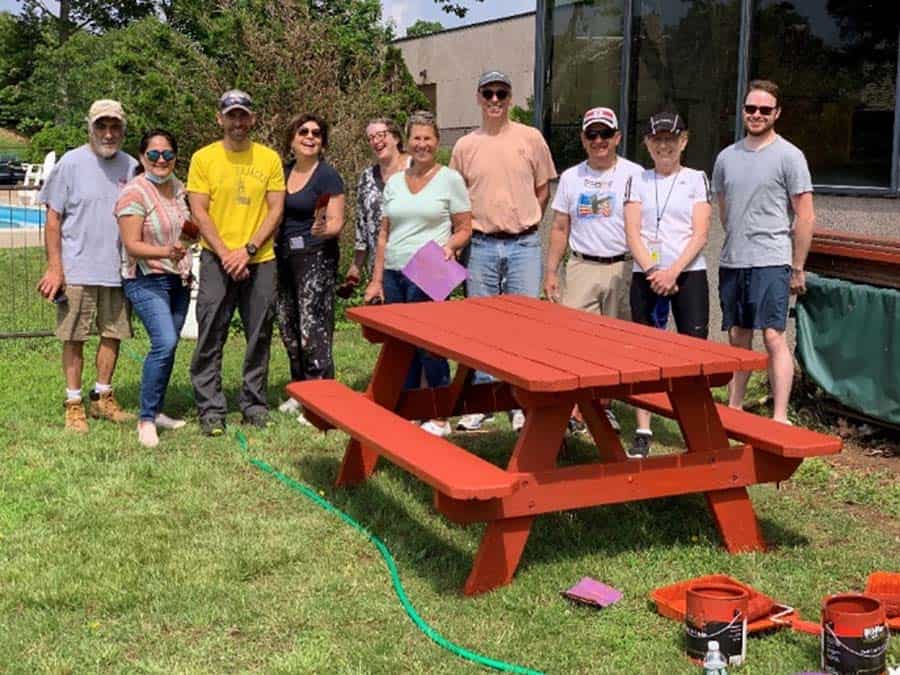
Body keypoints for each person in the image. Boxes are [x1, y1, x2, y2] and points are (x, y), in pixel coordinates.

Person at [450, 70, 556, 432]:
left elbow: (543, 189)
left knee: (523, 327)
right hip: (480, 244)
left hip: (524, 243)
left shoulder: (531, 138)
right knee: (482, 327)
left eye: (502, 93)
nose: (495, 100)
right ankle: (484, 400)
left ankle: (519, 402)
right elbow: (456, 198)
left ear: (511, 98)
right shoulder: (465, 146)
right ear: (478, 98)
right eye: (488, 93)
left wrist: (528, 220)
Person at [712, 80, 815, 424]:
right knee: (738, 335)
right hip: (733, 260)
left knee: (773, 335)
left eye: (764, 110)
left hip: (772, 260)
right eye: (750, 108)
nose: (756, 115)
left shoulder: (790, 156)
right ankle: (734, 407)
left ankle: (780, 415)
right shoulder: (726, 157)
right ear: (743, 111)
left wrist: (797, 266)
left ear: (777, 113)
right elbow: (724, 207)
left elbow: (805, 214)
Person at [364, 111, 472, 437]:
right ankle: (409, 409)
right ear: (407, 142)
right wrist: (377, 279)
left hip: (429, 270)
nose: (422, 144)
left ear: (437, 142)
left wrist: (452, 245)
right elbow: (383, 234)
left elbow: (465, 227)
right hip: (395, 271)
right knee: (401, 346)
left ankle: (439, 416)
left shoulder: (450, 179)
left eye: (428, 139)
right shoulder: (395, 181)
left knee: (430, 346)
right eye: (416, 139)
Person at [187, 89, 286, 436]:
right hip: (217, 258)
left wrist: (248, 248)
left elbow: (276, 207)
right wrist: (227, 253)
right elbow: (198, 209)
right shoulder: (203, 158)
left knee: (258, 334)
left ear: (253, 118)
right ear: (220, 119)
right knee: (211, 332)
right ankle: (211, 409)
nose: (238, 122)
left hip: (261, 258)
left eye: (243, 115)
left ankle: (254, 404)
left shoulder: (269, 159)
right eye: (232, 116)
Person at [36, 99, 138, 433]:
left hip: (119, 269)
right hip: (77, 269)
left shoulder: (132, 166)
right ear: (90, 127)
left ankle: (103, 398)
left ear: (123, 129)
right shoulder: (71, 163)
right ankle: (74, 404)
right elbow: (53, 219)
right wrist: (55, 267)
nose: (108, 133)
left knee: (113, 335)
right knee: (75, 337)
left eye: (115, 127)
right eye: (101, 126)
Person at [543, 107, 643, 434]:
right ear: (583, 139)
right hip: (582, 265)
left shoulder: (635, 174)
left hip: (622, 267)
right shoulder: (571, 177)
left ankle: (604, 407)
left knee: (614, 345)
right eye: (592, 135)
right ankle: (574, 409)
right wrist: (551, 271)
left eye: (605, 134)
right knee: (573, 343)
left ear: (617, 137)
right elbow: (559, 227)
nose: (599, 141)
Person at [624, 112, 711, 457]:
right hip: (647, 273)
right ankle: (643, 428)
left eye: (670, 139)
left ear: (683, 141)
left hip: (688, 272)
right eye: (657, 139)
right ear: (647, 143)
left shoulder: (696, 179)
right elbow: (632, 232)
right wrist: (653, 271)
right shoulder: (638, 180)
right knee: (644, 354)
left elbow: (701, 232)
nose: (664, 145)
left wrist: (673, 271)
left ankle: (697, 428)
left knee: (694, 352)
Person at [116, 129, 194, 448]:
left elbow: (192, 227)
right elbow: (132, 245)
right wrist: (167, 252)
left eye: (167, 154)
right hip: (145, 277)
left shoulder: (180, 189)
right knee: (164, 341)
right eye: (153, 154)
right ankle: (146, 419)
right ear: (141, 157)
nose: (161, 160)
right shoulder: (133, 193)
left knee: (170, 345)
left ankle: (158, 409)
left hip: (178, 278)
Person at [273, 114, 345, 421]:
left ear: (323, 141)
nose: (310, 137)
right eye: (303, 131)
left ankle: (320, 397)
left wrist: (322, 230)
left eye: (317, 132)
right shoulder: (282, 172)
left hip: (316, 257)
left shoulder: (328, 176)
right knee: (288, 326)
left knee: (312, 326)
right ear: (292, 138)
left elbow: (337, 222)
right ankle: (301, 389)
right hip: (283, 257)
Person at [341, 118, 410, 295]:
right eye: (370, 138)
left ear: (396, 138)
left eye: (381, 135)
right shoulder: (367, 177)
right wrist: (356, 266)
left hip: (418, 263)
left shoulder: (417, 168)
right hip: (381, 269)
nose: (375, 141)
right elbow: (362, 225)